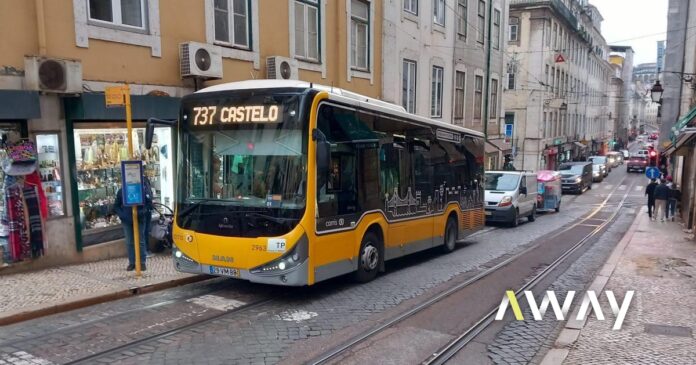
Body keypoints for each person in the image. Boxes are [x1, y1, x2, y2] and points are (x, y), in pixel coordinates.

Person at [114, 176, 153, 271]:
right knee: (129, 241)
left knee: (141, 240)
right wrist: (122, 215)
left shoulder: (141, 190)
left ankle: (142, 262)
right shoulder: (121, 191)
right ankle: (132, 262)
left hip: (140, 219)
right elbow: (116, 206)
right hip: (127, 220)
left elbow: (149, 204)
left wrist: (143, 212)